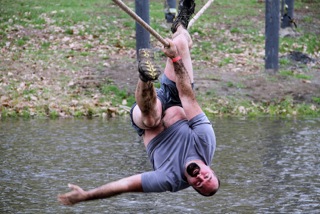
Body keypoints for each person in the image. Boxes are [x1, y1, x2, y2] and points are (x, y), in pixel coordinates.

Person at [58, 0, 220, 206]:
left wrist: (87, 195)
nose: (201, 177)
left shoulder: (169, 179)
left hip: (146, 118)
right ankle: (181, 24)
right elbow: (187, 96)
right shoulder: (206, 142)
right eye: (207, 177)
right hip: (178, 97)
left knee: (152, 118)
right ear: (210, 169)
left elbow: (126, 185)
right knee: (179, 43)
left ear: (191, 184)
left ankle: (146, 77)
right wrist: (176, 59)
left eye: (199, 183)